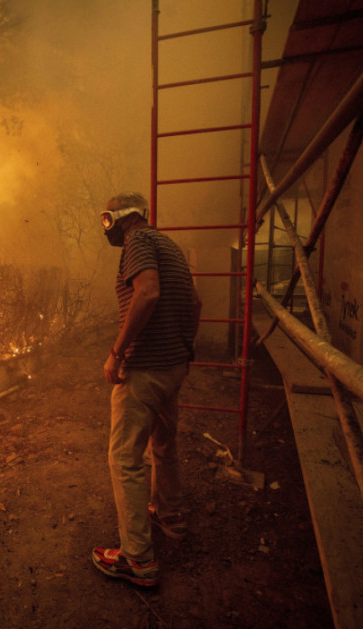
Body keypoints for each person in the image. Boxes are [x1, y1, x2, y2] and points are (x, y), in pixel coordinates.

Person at [91, 192, 201, 587]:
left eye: (106, 220)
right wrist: (184, 346)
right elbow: (196, 300)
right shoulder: (167, 244)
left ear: (118, 219)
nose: (107, 228)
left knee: (124, 459)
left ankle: (137, 558)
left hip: (146, 370)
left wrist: (117, 352)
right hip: (173, 366)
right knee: (163, 443)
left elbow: (148, 292)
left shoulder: (137, 242)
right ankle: (171, 515)